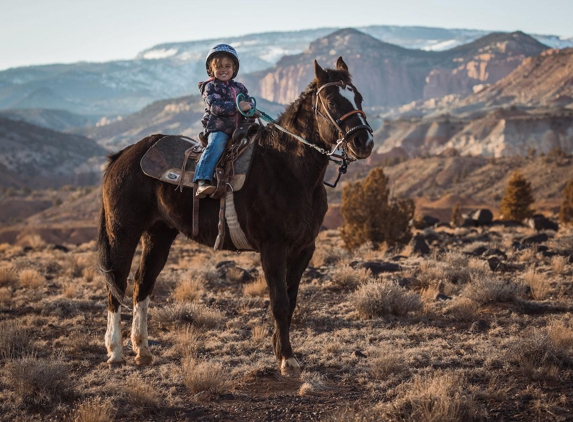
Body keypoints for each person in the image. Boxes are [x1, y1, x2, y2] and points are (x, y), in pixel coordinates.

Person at [194, 44, 253, 198]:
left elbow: (247, 103)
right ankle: (202, 180)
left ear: (234, 68)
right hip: (219, 128)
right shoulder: (210, 87)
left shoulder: (240, 87)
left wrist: (251, 109)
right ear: (211, 69)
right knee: (216, 144)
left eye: (228, 66)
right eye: (218, 66)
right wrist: (239, 107)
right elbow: (215, 107)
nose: (223, 70)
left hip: (240, 128)